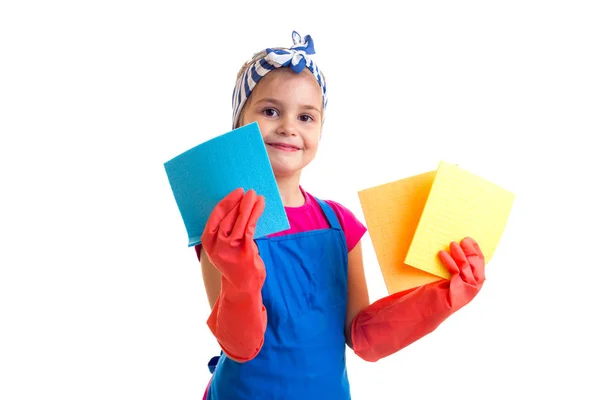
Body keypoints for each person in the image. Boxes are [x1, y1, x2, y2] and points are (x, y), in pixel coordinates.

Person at [195, 31, 486, 400]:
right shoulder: (224, 227)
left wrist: (443, 295)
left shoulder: (339, 223)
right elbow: (240, 345)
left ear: (320, 129)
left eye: (306, 116)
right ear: (238, 123)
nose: (289, 127)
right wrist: (240, 278)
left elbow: (364, 336)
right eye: (270, 111)